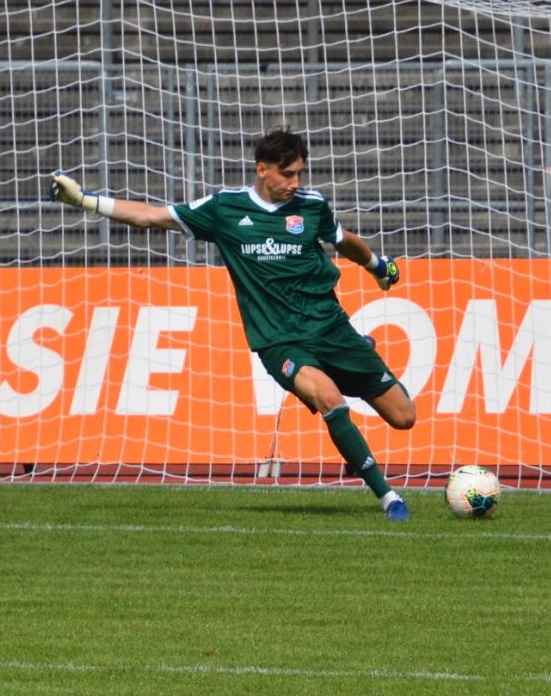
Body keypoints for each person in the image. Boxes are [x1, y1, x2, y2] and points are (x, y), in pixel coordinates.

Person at [50, 127, 416, 521]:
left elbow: (343, 240)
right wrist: (85, 200)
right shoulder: (225, 208)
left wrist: (378, 266)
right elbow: (150, 217)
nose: (295, 182)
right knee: (329, 399)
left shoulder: (312, 206)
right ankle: (389, 498)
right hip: (278, 339)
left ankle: (350, 384)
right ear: (262, 170)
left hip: (331, 328)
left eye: (299, 173)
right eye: (287, 174)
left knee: (404, 417)